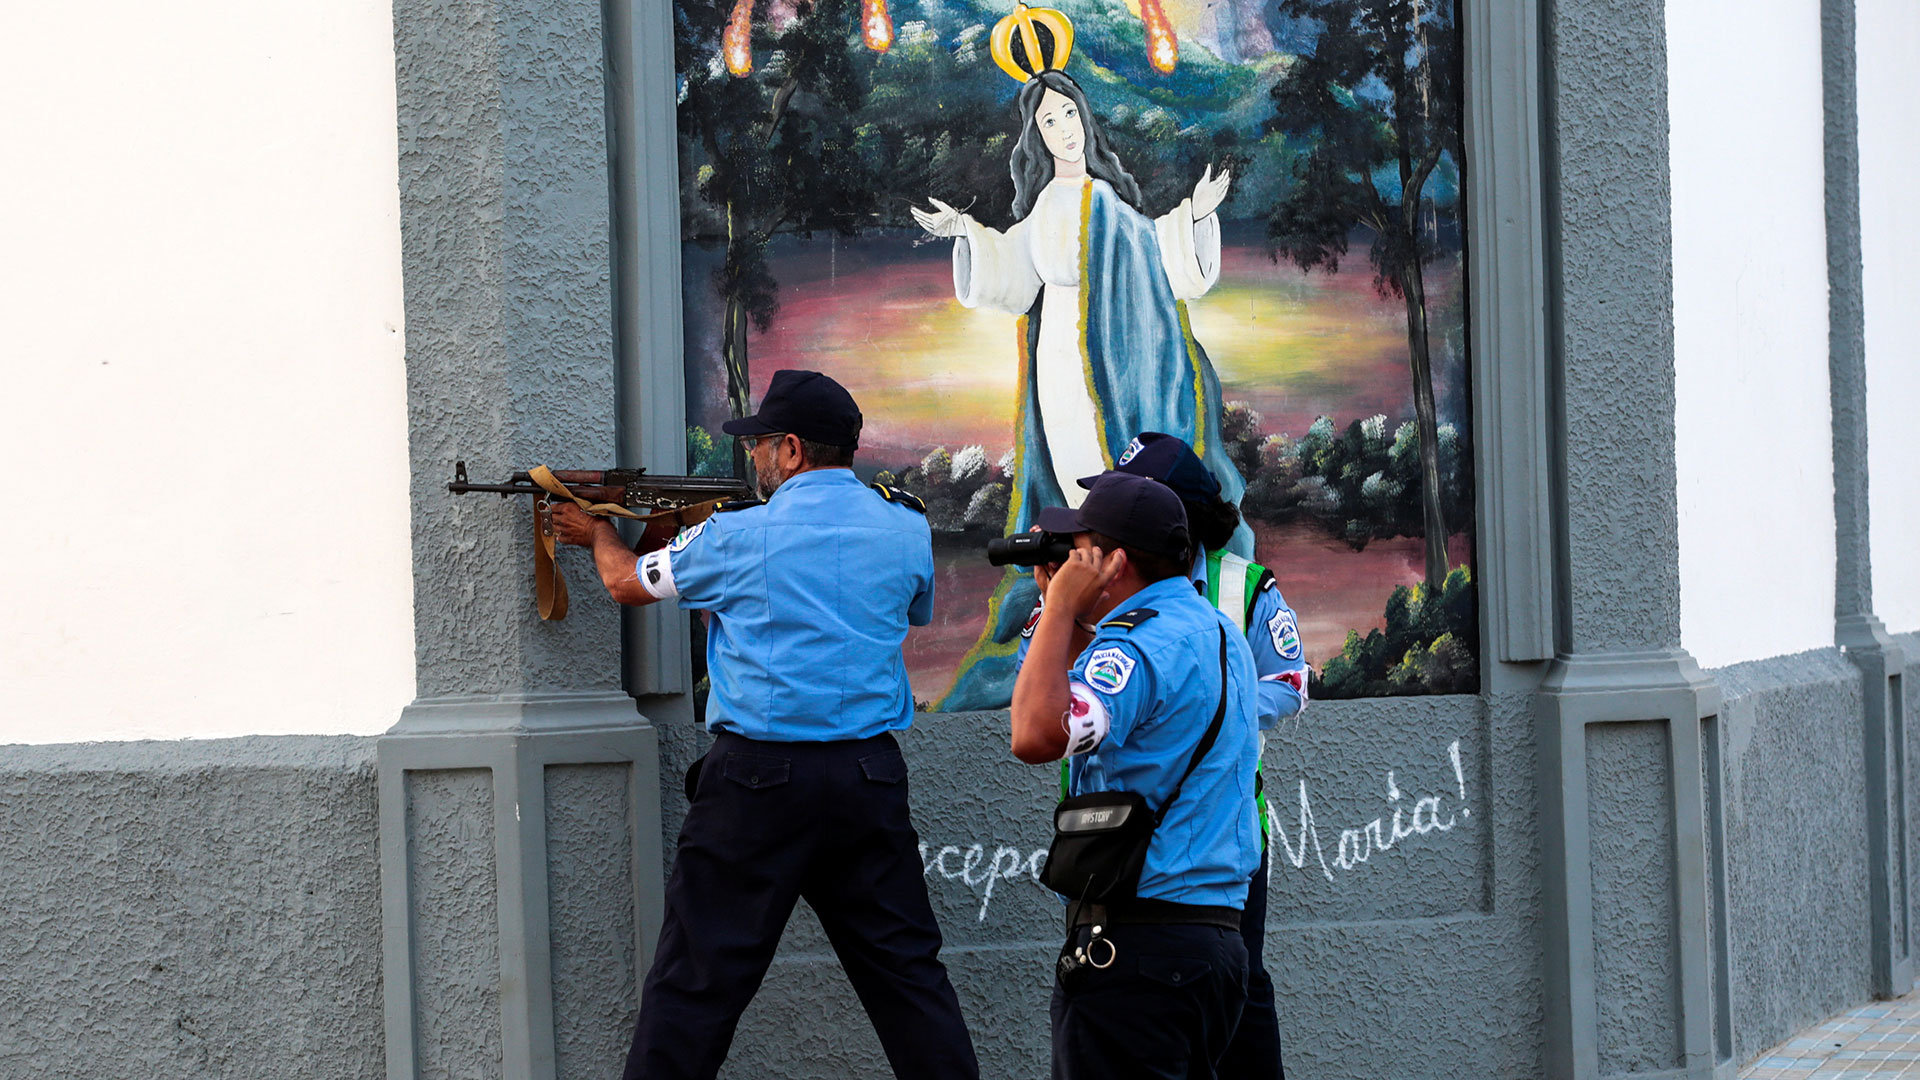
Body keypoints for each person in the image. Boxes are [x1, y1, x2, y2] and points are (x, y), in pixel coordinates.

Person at [550, 369, 980, 1080]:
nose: (751, 460)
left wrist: (596, 533)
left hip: (755, 784)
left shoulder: (735, 535)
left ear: (790, 449)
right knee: (908, 979)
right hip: (868, 775)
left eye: (757, 447)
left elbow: (626, 584)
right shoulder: (905, 526)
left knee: (696, 984)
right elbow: (910, 614)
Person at [914, 4, 1250, 711]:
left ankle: (1122, 590)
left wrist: (1194, 214)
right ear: (1035, 136)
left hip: (1116, 363)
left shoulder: (1106, 201)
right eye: (1048, 123)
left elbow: (1156, 252)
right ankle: (1083, 595)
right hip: (1059, 364)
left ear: (1085, 121)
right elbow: (1013, 273)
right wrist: (966, 231)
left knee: (1111, 467)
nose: (1062, 129)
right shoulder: (1042, 210)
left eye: (1069, 116)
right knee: (1073, 476)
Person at [1014, 433, 1307, 1078]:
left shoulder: (1135, 648)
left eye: (1083, 547)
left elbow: (1036, 732)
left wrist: (1059, 606)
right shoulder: (1217, 631)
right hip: (1212, 933)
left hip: (1143, 932)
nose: (1070, 557)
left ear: (1116, 564)